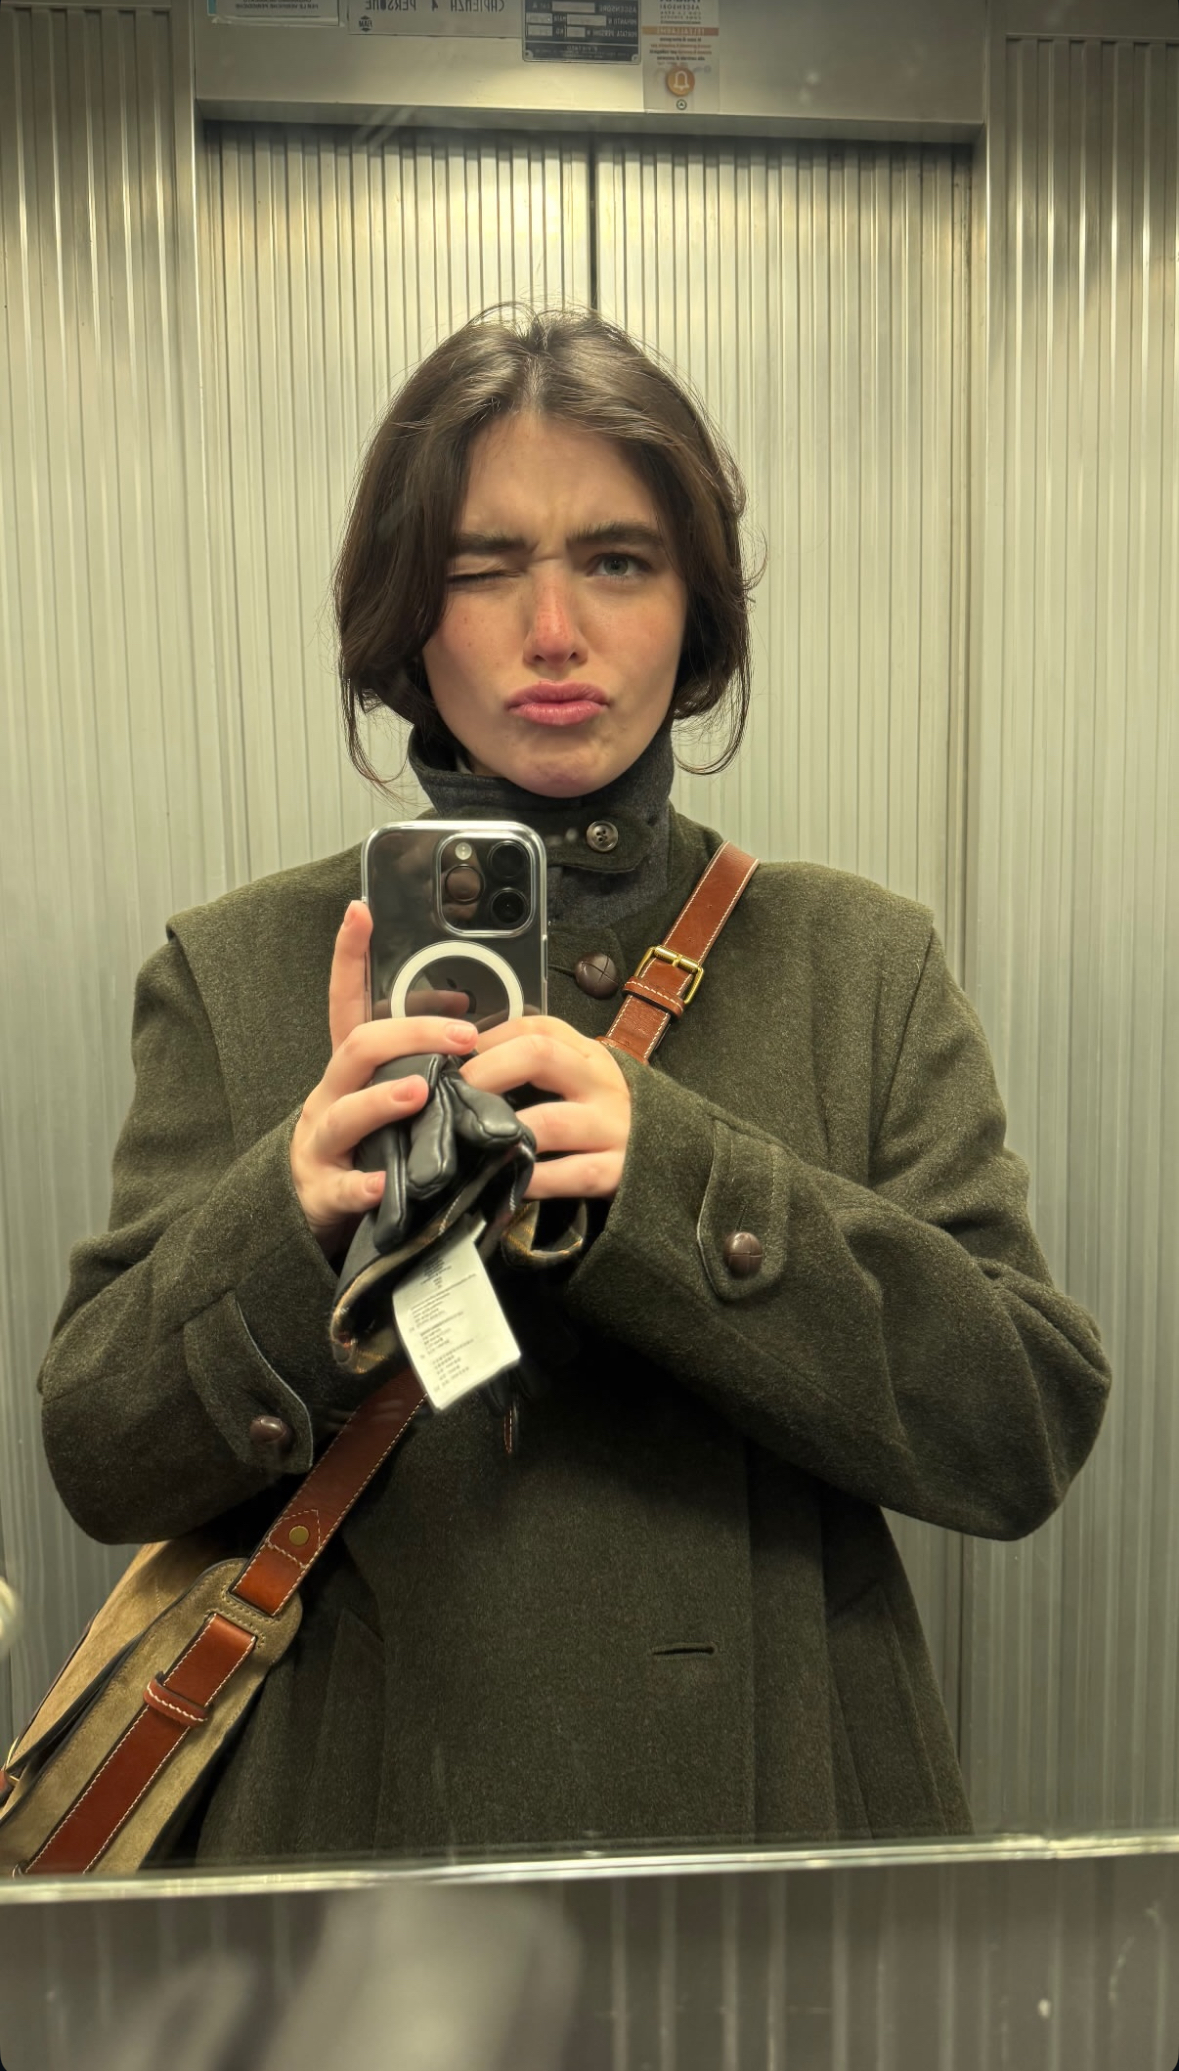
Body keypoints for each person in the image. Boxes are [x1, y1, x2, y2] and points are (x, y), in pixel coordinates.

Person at [37, 309, 1110, 1862]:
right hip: (364, 1853)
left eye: (618, 560)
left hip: (775, 1848)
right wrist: (293, 1217)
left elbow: (1021, 1429)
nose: (553, 631)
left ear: (693, 608)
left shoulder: (857, 961)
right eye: (483, 568)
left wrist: (672, 1180)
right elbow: (98, 1454)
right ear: (408, 612)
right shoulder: (240, 968)